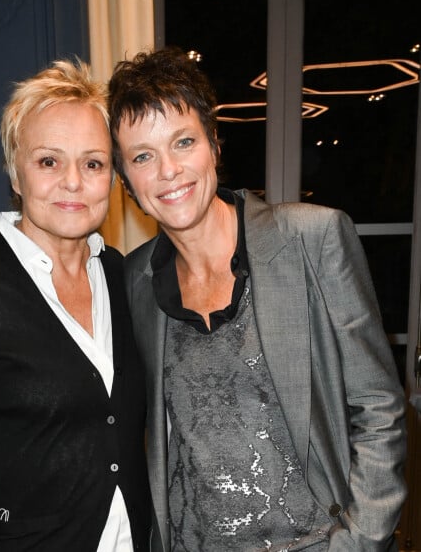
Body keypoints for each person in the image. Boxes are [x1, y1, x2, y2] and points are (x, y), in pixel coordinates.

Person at [107, 47, 407, 552]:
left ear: (214, 144)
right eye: (142, 156)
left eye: (183, 142)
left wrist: (358, 543)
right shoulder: (134, 280)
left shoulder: (314, 239)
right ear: (126, 181)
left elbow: (379, 408)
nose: (168, 171)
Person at [0, 59, 151, 551]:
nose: (72, 182)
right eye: (48, 161)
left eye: (93, 162)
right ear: (16, 175)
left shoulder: (124, 276)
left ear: (112, 178)